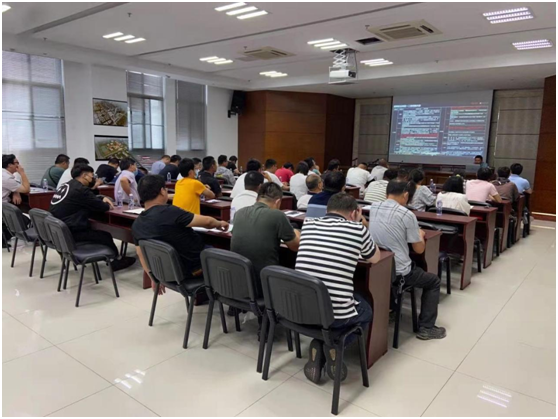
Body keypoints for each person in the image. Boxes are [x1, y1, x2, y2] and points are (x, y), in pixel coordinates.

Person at [296, 192, 380, 383]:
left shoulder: (308, 224)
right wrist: (360, 223)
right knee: (366, 310)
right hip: (335, 316)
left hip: (302, 309)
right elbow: (375, 258)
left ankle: (320, 343)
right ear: (354, 212)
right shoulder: (357, 229)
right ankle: (334, 344)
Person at [368, 180, 446, 340]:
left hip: (378, 266)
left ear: (387, 193)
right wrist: (420, 235)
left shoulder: (373, 207)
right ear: (405, 195)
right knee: (433, 281)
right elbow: (419, 249)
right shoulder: (406, 214)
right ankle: (426, 328)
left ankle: (392, 309)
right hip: (400, 272)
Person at [132, 175, 228, 293]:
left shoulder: (137, 224)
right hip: (195, 268)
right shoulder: (170, 212)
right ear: (162, 191)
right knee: (229, 254)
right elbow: (208, 222)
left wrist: (154, 276)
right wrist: (220, 223)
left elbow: (140, 254)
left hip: (168, 273)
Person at [49, 164, 135, 271]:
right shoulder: (81, 190)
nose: (93, 178)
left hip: (59, 232)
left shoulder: (67, 185)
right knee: (105, 236)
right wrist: (104, 202)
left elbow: (87, 199)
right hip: (72, 232)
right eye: (91, 175)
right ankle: (116, 262)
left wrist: (100, 198)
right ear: (84, 176)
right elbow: (103, 207)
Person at [231, 182, 300, 295]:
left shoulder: (239, 213)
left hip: (239, 280)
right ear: (278, 202)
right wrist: (296, 231)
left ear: (257, 198)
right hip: (264, 283)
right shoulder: (277, 215)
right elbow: (295, 247)